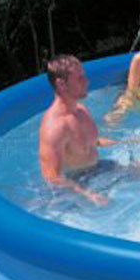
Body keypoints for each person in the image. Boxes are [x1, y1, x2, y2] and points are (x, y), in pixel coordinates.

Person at [38, 54, 116, 205]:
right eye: (79, 78)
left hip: (98, 169)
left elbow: (93, 142)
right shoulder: (55, 127)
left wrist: (133, 141)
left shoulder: (81, 110)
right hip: (75, 184)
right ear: (61, 84)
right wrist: (87, 195)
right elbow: (51, 176)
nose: (86, 81)